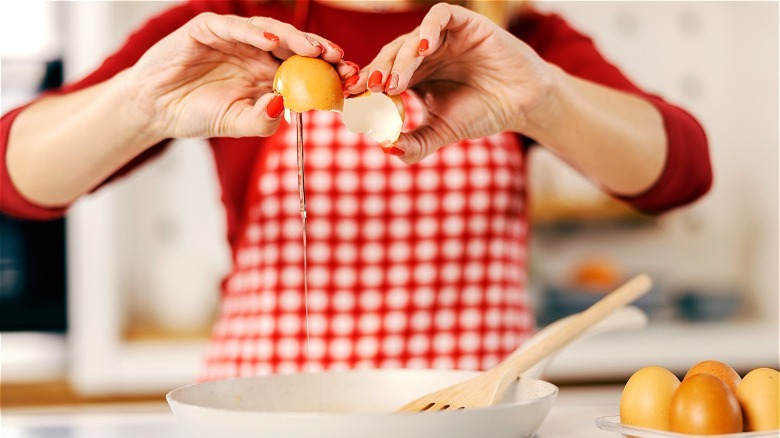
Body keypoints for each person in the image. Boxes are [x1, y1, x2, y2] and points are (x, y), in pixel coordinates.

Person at [0, 0, 711, 381]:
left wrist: (543, 98)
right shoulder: (235, 21)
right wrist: (139, 104)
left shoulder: (512, 35)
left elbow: (679, 172)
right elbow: (16, 177)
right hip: (274, 413)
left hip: (469, 416)